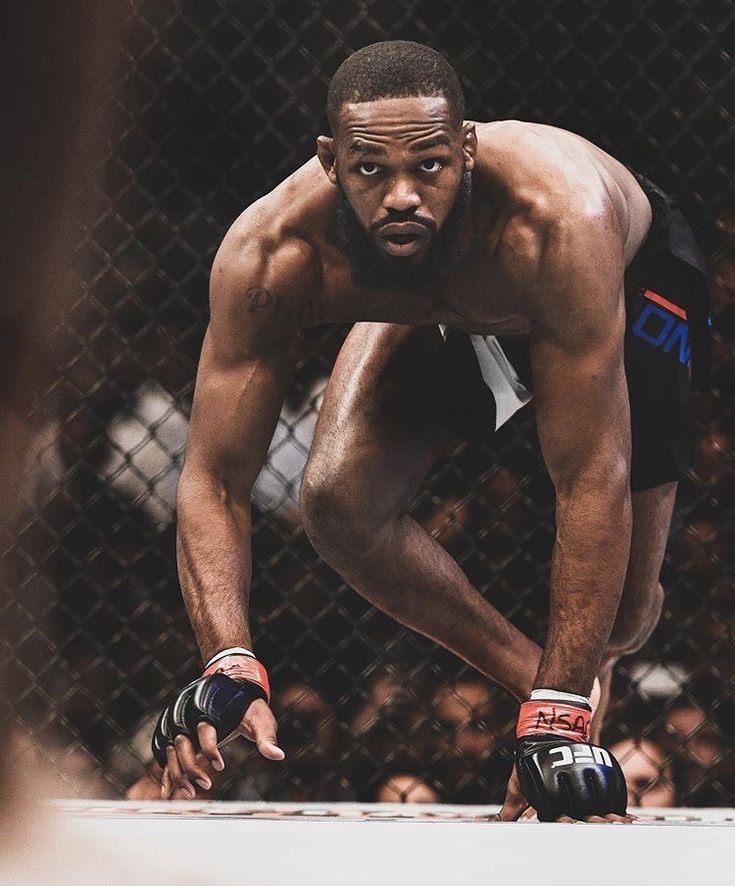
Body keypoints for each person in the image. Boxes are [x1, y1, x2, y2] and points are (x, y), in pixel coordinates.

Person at [151, 41, 710, 821]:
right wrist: (227, 658)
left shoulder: (554, 222)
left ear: (468, 150)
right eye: (371, 170)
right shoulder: (272, 252)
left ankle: (562, 698)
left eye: (431, 166)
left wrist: (559, 718)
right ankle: (545, 686)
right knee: (339, 502)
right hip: (452, 306)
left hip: (624, 280)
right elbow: (211, 476)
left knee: (626, 613)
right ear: (329, 160)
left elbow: (590, 475)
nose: (403, 196)